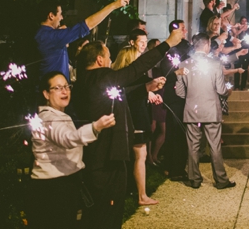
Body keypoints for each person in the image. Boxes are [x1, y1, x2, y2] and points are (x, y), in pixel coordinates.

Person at [75, 28, 182, 229]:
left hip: (99, 155)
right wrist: (168, 43)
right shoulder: (100, 77)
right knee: (107, 211)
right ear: (99, 60)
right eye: (108, 55)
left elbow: (123, 89)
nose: (110, 59)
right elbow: (135, 69)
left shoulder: (87, 81)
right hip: (106, 157)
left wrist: (146, 88)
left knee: (98, 211)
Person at [27, 71, 116, 229]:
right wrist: (96, 127)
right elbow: (68, 139)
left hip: (65, 182)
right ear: (46, 94)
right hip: (52, 188)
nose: (65, 91)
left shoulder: (60, 115)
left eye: (67, 86)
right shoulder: (48, 118)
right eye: (58, 88)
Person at [175, 33, 236, 189]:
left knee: (193, 146)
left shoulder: (183, 64)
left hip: (191, 110)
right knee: (215, 146)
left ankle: (194, 179)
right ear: (207, 44)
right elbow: (221, 90)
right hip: (211, 110)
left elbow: (180, 93)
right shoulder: (215, 64)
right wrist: (227, 91)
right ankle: (221, 180)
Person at [111, 44, 162, 206]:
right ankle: (142, 195)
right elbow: (132, 94)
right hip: (135, 119)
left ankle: (129, 190)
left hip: (131, 119)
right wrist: (148, 88)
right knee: (140, 156)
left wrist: (151, 91)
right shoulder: (128, 78)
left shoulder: (119, 77)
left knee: (132, 157)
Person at [35, 0, 129, 81]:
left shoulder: (46, 35)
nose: (62, 17)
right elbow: (86, 25)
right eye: (60, 14)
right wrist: (113, 5)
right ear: (51, 15)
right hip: (52, 93)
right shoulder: (50, 36)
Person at [160, 20, 192, 180]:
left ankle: (174, 166)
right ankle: (175, 168)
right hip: (174, 97)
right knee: (175, 133)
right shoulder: (169, 50)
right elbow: (163, 73)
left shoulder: (186, 47)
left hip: (186, 95)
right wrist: (176, 73)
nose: (185, 31)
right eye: (182, 28)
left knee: (179, 133)